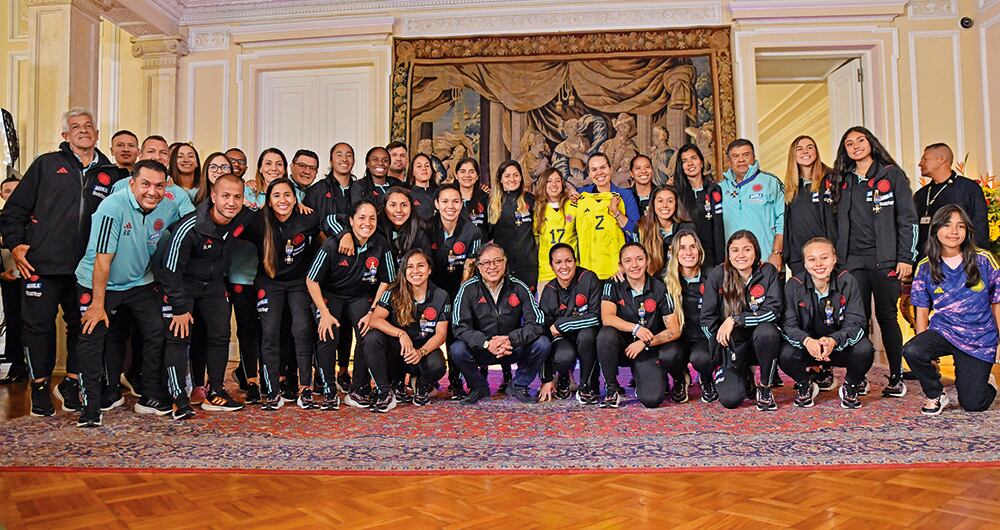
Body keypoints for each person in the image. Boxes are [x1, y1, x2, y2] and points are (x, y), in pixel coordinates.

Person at [0, 107, 122, 417]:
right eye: (75, 127)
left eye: (88, 125)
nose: (83, 130)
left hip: (86, 269)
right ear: (65, 135)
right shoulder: (46, 165)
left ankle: (70, 384)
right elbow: (13, 213)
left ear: (96, 133)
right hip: (42, 265)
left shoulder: (110, 173)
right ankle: (39, 387)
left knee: (83, 327)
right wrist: (16, 246)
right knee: (37, 328)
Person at [74, 159, 181, 427]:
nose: (152, 192)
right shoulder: (113, 206)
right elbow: (102, 260)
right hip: (99, 281)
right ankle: (91, 406)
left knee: (156, 330)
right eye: (145, 184)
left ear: (166, 187)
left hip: (139, 282)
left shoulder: (168, 207)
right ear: (132, 184)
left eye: (159, 186)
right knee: (93, 335)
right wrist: (98, 304)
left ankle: (150, 396)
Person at [832, 126, 918, 397]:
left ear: (871, 143)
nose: (855, 145)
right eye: (849, 143)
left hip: (886, 260)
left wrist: (906, 257)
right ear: (844, 151)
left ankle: (895, 376)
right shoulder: (843, 181)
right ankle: (858, 378)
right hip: (852, 262)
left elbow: (908, 220)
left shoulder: (891, 174)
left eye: (860, 140)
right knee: (857, 320)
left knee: (887, 317)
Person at [156, 173, 248, 418]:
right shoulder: (191, 226)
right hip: (182, 286)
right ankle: (178, 398)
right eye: (226, 196)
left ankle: (215, 391)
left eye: (237, 197)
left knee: (220, 335)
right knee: (179, 336)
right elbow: (170, 269)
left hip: (214, 285)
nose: (231, 202)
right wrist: (179, 308)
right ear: (214, 196)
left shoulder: (241, 219)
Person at [904, 205, 999, 415]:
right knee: (912, 350)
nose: (954, 232)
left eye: (960, 226)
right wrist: (925, 350)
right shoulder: (925, 266)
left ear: (967, 231)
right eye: (947, 225)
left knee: (973, 404)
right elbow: (921, 309)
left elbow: (997, 303)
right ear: (936, 229)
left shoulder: (984, 260)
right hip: (943, 331)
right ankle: (936, 395)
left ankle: (986, 381)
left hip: (979, 338)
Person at [307, 199, 395, 410]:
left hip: (360, 296)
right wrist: (324, 313)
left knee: (367, 332)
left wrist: (373, 310)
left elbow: (388, 279)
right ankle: (329, 389)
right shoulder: (333, 244)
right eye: (362, 218)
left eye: (372, 218)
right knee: (328, 332)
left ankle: (358, 389)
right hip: (331, 294)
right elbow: (311, 279)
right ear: (351, 221)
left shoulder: (381, 243)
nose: (367, 223)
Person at [779, 237, 874, 409]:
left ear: (834, 259)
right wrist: (807, 341)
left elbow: (857, 321)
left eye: (824, 257)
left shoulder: (848, 281)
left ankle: (851, 386)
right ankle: (805, 384)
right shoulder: (793, 285)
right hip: (808, 347)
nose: (819, 264)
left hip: (838, 345)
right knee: (783, 353)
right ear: (805, 264)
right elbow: (788, 325)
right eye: (812, 259)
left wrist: (834, 340)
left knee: (865, 349)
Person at [450, 243, 551, 404]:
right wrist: (486, 342)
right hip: (482, 349)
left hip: (512, 347)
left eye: (497, 261)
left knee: (542, 343)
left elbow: (537, 322)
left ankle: (518, 385)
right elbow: (459, 326)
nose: (493, 267)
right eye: (486, 263)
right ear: (478, 266)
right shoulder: (467, 289)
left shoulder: (519, 287)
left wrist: (511, 339)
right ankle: (479, 387)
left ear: (505, 262)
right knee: (457, 349)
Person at [225, 148, 288, 405]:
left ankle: (268, 376)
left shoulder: (287, 194)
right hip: (242, 273)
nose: (273, 168)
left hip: (272, 277)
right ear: (260, 167)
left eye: (279, 164)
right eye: (268, 163)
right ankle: (251, 380)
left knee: (270, 330)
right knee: (247, 328)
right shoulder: (247, 192)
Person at [700, 230, 783, 411]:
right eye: (735, 250)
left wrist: (736, 319)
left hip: (760, 342)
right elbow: (707, 319)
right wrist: (719, 348)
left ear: (756, 251)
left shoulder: (768, 272)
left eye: (747, 249)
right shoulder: (718, 274)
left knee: (768, 331)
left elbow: (774, 312)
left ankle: (765, 386)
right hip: (732, 345)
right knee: (730, 400)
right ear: (728, 254)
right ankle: (743, 373)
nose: (741, 255)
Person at [595, 243, 681, 408]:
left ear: (647, 261)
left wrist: (644, 341)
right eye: (628, 261)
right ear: (621, 266)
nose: (634, 265)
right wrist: (636, 329)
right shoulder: (612, 284)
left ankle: (654, 377)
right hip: (622, 348)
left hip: (648, 349)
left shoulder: (660, 287)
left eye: (639, 259)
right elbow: (607, 318)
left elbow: (674, 330)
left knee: (652, 400)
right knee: (605, 335)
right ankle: (612, 388)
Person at [365, 249, 448, 410]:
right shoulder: (392, 292)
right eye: (410, 267)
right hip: (397, 351)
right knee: (372, 338)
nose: (415, 271)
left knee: (437, 365)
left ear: (429, 269)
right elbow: (374, 320)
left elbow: (441, 334)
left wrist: (421, 352)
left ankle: (422, 386)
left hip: (422, 351)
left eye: (420, 265)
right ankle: (385, 391)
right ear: (404, 271)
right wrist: (401, 334)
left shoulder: (441, 295)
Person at [426, 183, 482, 399]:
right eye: (446, 201)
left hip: (459, 288)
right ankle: (425, 379)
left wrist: (460, 297)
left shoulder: (472, 231)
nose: (451, 206)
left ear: (462, 204)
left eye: (456, 201)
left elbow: (470, 266)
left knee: (455, 334)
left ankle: (456, 381)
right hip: (431, 289)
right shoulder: (427, 227)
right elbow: (422, 263)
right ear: (437, 204)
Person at [538, 243, 601, 403]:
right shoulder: (549, 290)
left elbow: (596, 317)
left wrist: (561, 325)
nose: (564, 266)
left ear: (575, 261)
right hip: (564, 340)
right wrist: (546, 377)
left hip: (587, 335)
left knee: (588, 335)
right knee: (563, 355)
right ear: (551, 266)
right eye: (558, 262)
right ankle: (563, 380)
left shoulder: (588, 278)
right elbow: (543, 333)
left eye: (568, 261)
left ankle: (587, 385)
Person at [662, 229, 717, 403]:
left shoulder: (712, 276)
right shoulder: (664, 281)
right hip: (677, 339)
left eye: (692, 247)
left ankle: (706, 377)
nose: (688, 252)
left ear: (699, 250)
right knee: (667, 355)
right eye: (683, 248)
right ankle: (680, 378)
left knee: (702, 358)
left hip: (702, 339)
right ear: (675, 253)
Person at [914, 143, 990, 259]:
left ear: (942, 159)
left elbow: (980, 229)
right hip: (927, 263)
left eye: (925, 159)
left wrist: (975, 261)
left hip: (962, 263)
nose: (920, 164)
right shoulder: (921, 194)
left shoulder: (968, 188)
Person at [719, 139, 784, 270]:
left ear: (754, 157)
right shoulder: (719, 189)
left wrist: (777, 253)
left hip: (766, 260)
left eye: (746, 155)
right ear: (728, 161)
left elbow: (783, 221)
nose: (741, 159)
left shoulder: (771, 182)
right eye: (735, 156)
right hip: (733, 263)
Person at [782, 135, 836, 275]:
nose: (805, 151)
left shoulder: (833, 179)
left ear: (816, 151)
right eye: (799, 149)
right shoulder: (790, 188)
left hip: (827, 256)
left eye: (809, 147)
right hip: (799, 259)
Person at [575, 154, 631, 280]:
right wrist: (569, 192)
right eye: (594, 170)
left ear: (611, 169)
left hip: (617, 270)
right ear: (589, 174)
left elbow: (635, 232)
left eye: (603, 167)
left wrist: (625, 264)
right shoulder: (581, 195)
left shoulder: (624, 195)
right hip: (589, 268)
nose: (599, 173)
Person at [487, 160, 538, 290]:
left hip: (528, 266)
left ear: (521, 177)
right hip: (503, 267)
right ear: (501, 179)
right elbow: (486, 236)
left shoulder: (530, 199)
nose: (512, 179)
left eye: (516, 175)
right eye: (507, 176)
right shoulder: (493, 203)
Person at [672, 143, 725, 267]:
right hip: (685, 257)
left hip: (711, 257)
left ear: (701, 162)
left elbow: (719, 227)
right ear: (681, 167)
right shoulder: (675, 193)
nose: (690, 163)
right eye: (684, 161)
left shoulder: (714, 189)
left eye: (694, 158)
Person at [533, 168, 577, 286]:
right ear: (543, 184)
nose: (554, 184)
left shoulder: (573, 205)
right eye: (549, 181)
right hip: (547, 271)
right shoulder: (537, 209)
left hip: (571, 270)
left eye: (558, 181)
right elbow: (536, 240)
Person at [0, 177, 25, 384]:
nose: (12, 194)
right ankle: (17, 367)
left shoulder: (35, 216)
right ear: (2, 195)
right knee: (14, 324)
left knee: (37, 326)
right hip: (9, 281)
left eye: (17, 190)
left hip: (35, 278)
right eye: (7, 191)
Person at [637, 186, 695, 277]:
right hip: (652, 282)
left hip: (680, 279)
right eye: (660, 201)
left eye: (670, 201)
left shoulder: (687, 228)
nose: (665, 205)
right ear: (653, 204)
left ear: (676, 204)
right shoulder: (641, 227)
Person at [351, 146, 405, 210]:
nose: (380, 163)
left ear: (389, 164)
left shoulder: (398, 184)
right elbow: (359, 212)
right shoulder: (359, 186)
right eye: (375, 159)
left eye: (385, 160)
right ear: (368, 164)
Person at [455, 157, 489, 228]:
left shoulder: (485, 199)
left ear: (477, 176)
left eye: (472, 171)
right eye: (463, 171)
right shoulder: (449, 198)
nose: (467, 175)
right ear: (456, 175)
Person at [406, 153, 438, 223]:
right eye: (419, 166)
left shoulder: (440, 192)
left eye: (427, 165)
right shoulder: (407, 194)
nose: (424, 168)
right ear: (412, 172)